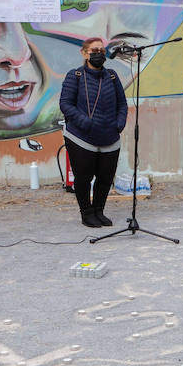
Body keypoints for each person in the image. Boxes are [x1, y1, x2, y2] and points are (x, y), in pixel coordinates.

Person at [60, 37, 128, 227]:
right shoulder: (75, 76)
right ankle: (86, 213)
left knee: (105, 178)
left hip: (110, 137)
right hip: (81, 137)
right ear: (84, 53)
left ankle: (99, 211)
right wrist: (85, 123)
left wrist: (119, 124)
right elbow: (65, 104)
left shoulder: (112, 77)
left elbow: (122, 104)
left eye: (101, 51)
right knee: (83, 178)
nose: (98, 54)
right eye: (94, 51)